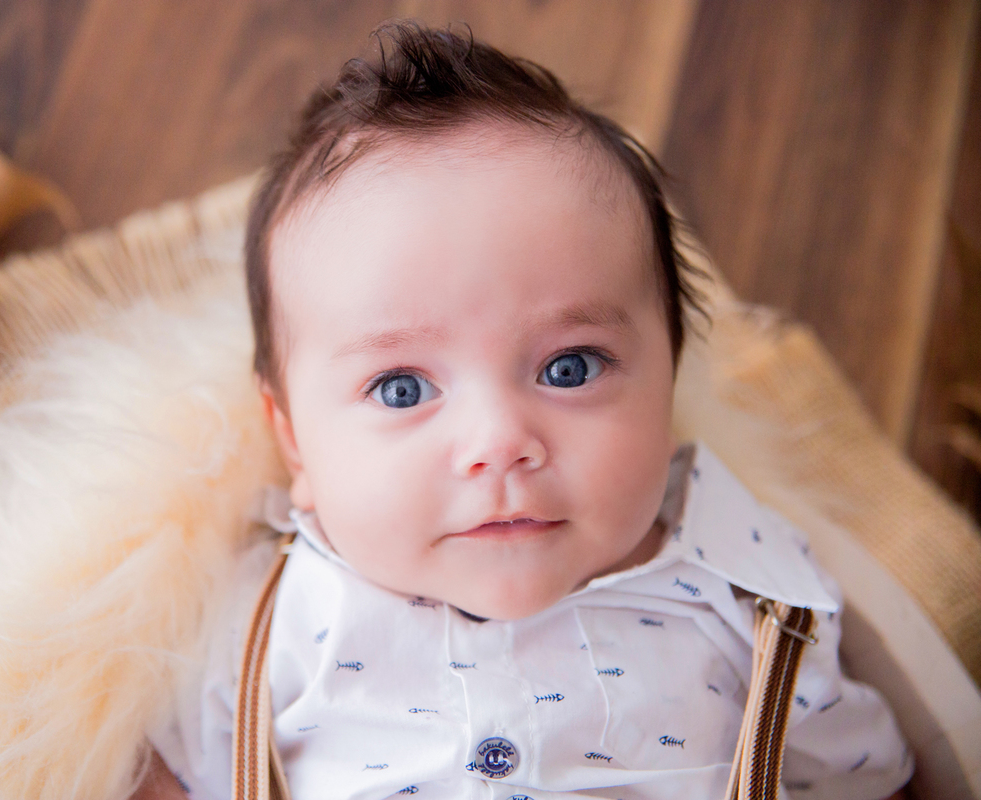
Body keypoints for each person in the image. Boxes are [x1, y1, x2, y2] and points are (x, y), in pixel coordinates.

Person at [142, 22, 912, 800]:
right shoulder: (261, 621)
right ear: (296, 446)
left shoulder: (748, 597)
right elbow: (159, 773)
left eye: (568, 368)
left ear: (667, 385)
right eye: (403, 389)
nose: (500, 442)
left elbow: (861, 776)